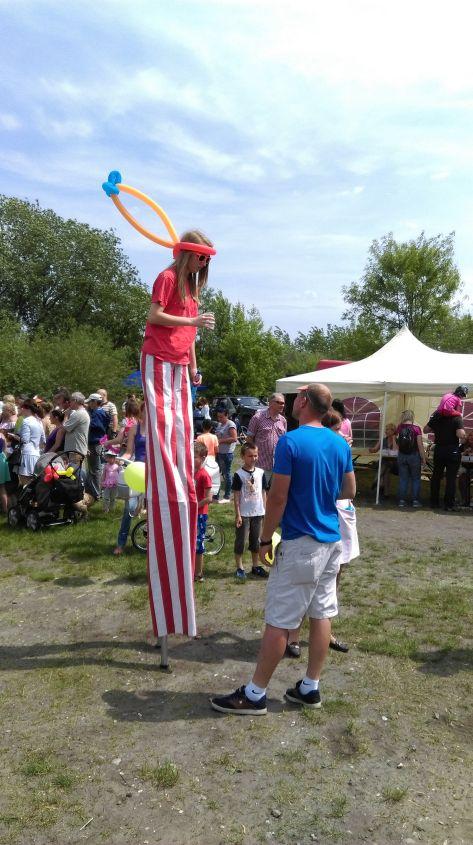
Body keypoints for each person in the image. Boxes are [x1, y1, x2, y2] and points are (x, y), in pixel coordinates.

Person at [210, 383, 355, 716]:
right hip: (330, 539)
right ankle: (310, 687)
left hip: (302, 542)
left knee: (280, 620)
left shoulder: (291, 441)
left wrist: (264, 540)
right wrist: (320, 491)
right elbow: (348, 489)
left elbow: (277, 496)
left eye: (296, 396)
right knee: (321, 614)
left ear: (304, 402)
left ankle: (255, 694)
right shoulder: (338, 442)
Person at [140, 230, 216, 638]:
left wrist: (192, 367)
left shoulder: (191, 289)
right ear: (188, 254)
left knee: (183, 431)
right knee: (164, 427)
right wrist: (190, 320)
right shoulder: (167, 278)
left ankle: (181, 475)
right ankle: (165, 477)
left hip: (178, 364)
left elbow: (190, 338)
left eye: (208, 260)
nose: (205, 266)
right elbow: (154, 317)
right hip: (156, 358)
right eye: (201, 258)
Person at [232, 443, 270, 580]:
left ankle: (255, 566)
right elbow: (236, 496)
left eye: (255, 455)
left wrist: (265, 510)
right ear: (243, 456)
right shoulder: (238, 475)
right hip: (244, 513)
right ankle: (240, 567)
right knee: (241, 541)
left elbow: (263, 492)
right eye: (250, 456)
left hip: (258, 512)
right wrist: (238, 514)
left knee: (256, 541)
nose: (253, 458)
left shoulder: (260, 473)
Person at [114, 403, 147, 555]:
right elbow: (129, 452)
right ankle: (121, 543)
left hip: (154, 473)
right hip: (138, 472)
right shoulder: (135, 429)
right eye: (146, 411)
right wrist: (121, 459)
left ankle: (152, 542)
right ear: (141, 412)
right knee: (129, 509)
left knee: (155, 510)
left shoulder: (158, 429)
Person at [424, 407, 466, 511]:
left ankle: (434, 502)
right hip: (452, 449)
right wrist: (464, 435)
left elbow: (425, 430)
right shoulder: (457, 418)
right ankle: (449, 504)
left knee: (436, 476)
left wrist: (435, 424)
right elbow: (460, 434)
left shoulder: (437, 416)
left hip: (439, 449)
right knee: (450, 478)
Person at [246, 393, 287, 484]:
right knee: (259, 492)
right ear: (271, 403)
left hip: (278, 465)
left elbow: (284, 441)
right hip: (261, 464)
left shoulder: (283, 420)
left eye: (283, 403)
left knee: (274, 493)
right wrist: (251, 459)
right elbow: (249, 440)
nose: (282, 405)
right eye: (279, 402)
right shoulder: (257, 418)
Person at [396, 410, 426, 508]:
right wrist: (423, 458)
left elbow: (397, 443)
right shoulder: (416, 429)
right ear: (412, 417)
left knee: (403, 479)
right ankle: (415, 501)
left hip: (402, 455)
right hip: (414, 455)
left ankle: (401, 501)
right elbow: (420, 445)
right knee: (416, 479)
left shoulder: (399, 428)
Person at [84, 393, 110, 501]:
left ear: (95, 402)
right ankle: (98, 490)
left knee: (95, 468)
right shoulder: (101, 412)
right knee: (97, 467)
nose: (89, 404)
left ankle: (97, 492)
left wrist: (88, 422)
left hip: (95, 442)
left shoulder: (97, 413)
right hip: (99, 441)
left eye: (90, 402)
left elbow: (98, 426)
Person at [193, 442, 213, 582]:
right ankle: (190, 569)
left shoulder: (204, 475)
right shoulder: (189, 473)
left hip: (199, 514)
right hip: (189, 513)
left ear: (203, 457)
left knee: (199, 543)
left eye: (194, 457)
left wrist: (195, 507)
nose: (191, 459)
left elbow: (209, 498)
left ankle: (198, 573)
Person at [17, 400, 45, 485]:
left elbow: (25, 440)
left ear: (28, 409)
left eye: (23, 407)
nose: (21, 409)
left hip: (27, 454)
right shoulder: (39, 421)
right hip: (36, 454)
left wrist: (16, 437)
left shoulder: (26, 421)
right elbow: (43, 439)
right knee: (33, 483)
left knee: (25, 482)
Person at [369, 422, 399, 497]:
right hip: (384, 462)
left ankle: (377, 480)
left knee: (387, 464)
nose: (385, 431)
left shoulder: (397, 440)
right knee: (386, 469)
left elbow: (396, 451)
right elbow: (375, 449)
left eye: (387, 430)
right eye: (386, 429)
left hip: (394, 463)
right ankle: (386, 493)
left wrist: (394, 439)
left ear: (393, 431)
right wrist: (371, 449)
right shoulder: (383, 440)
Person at [215, 407, 238, 503]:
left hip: (227, 453)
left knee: (227, 474)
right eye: (218, 417)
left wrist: (221, 441)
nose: (219, 419)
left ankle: (227, 496)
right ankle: (216, 495)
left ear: (227, 415)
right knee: (217, 474)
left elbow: (234, 438)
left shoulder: (230, 424)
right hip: (220, 453)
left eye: (221, 417)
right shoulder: (220, 424)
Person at [62, 393, 90, 460]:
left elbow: (65, 427)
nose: (69, 403)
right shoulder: (80, 413)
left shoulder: (79, 413)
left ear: (75, 400)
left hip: (76, 450)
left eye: (70, 401)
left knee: (76, 470)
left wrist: (66, 415)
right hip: (76, 450)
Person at [458, 431, 473, 506]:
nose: (471, 437)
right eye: (470, 435)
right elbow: (457, 456)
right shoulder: (463, 445)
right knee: (462, 479)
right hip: (465, 467)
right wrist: (465, 453)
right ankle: (465, 500)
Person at [0, 433, 10, 513]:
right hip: (2, 460)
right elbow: (5, 449)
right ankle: (5, 509)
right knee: (2, 487)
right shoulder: (2, 435)